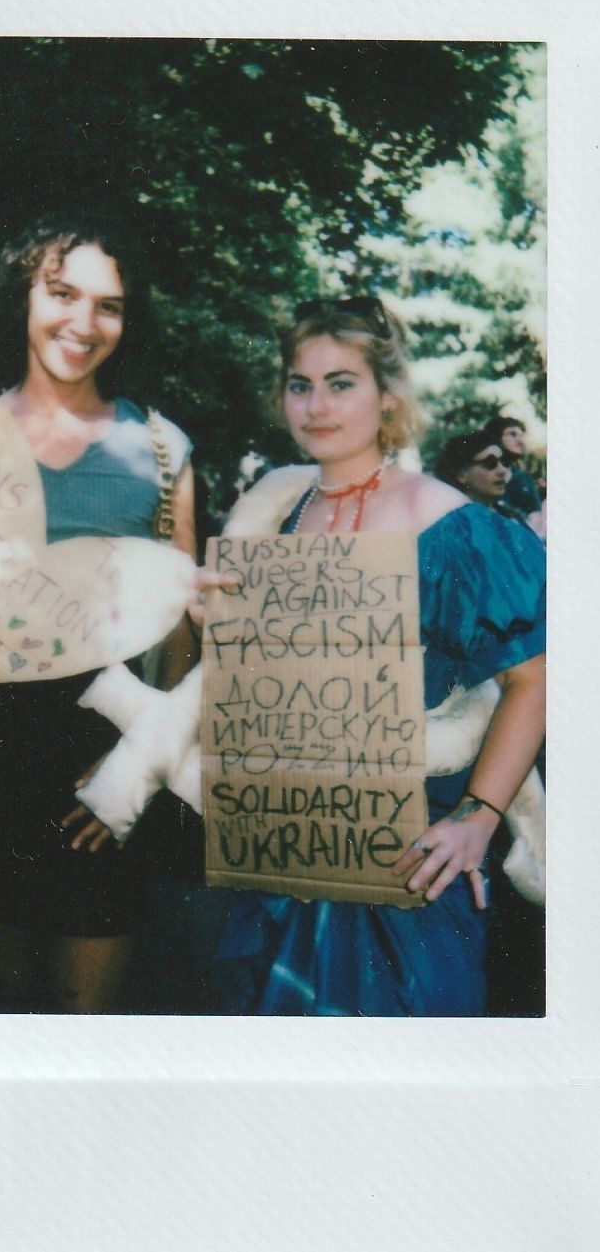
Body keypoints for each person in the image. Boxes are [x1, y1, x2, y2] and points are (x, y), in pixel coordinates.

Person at [207, 296, 546, 1017]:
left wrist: (481, 816)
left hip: (409, 853)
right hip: (289, 848)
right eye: (300, 384)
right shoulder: (277, 513)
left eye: (341, 383)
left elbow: (533, 678)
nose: (316, 405)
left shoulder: (446, 520)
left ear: (387, 395)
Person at [0, 211, 197, 1013]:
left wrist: (140, 763)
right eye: (63, 293)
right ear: (25, 298)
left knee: (82, 1019)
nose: (84, 322)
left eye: (110, 305)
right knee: (7, 1002)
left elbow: (180, 627)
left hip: (101, 749)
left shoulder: (163, 449)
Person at [434, 429, 539, 531]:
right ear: (461, 475)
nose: (502, 471)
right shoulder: (451, 525)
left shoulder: (512, 517)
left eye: (504, 462)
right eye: (489, 463)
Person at [482, 415, 542, 517]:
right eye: (513, 434)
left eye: (522, 435)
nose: (521, 441)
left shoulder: (524, 478)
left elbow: (535, 517)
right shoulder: (479, 475)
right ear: (495, 436)